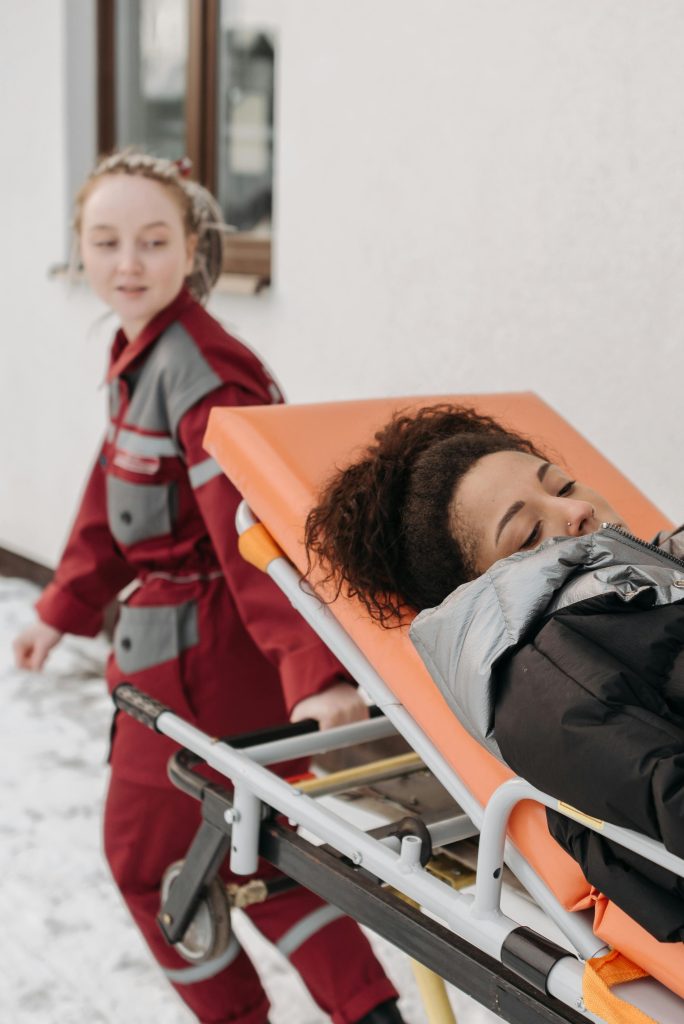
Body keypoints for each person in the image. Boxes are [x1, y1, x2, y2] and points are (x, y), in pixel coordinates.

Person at [13, 151, 404, 1024]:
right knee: (254, 846)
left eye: (153, 241)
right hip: (210, 655)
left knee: (147, 863)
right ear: (79, 248)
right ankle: (371, 1013)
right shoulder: (148, 352)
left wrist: (317, 675)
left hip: (202, 666)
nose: (128, 263)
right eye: (106, 241)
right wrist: (61, 608)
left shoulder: (203, 373)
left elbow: (254, 533)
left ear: (192, 247)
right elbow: (109, 497)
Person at [305, 403, 684, 943]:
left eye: (562, 485)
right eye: (528, 532)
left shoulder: (653, 579)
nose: (575, 508)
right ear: (484, 584)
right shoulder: (543, 675)